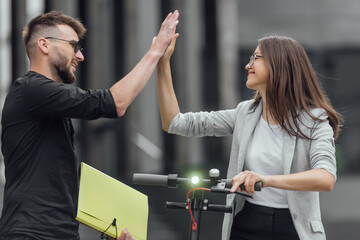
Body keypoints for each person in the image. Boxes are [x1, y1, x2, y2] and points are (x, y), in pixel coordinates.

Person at [0, 10, 179, 240]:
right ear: (44, 45)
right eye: (73, 45)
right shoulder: (28, 89)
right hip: (31, 232)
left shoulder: (46, 106)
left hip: (57, 232)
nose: (80, 56)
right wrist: (155, 52)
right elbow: (115, 103)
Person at [156, 35, 342, 240]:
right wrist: (163, 63)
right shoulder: (245, 114)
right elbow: (175, 122)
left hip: (293, 229)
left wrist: (266, 180)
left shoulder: (315, 120)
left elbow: (325, 178)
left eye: (256, 58)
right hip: (247, 223)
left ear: (278, 65)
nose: (247, 65)